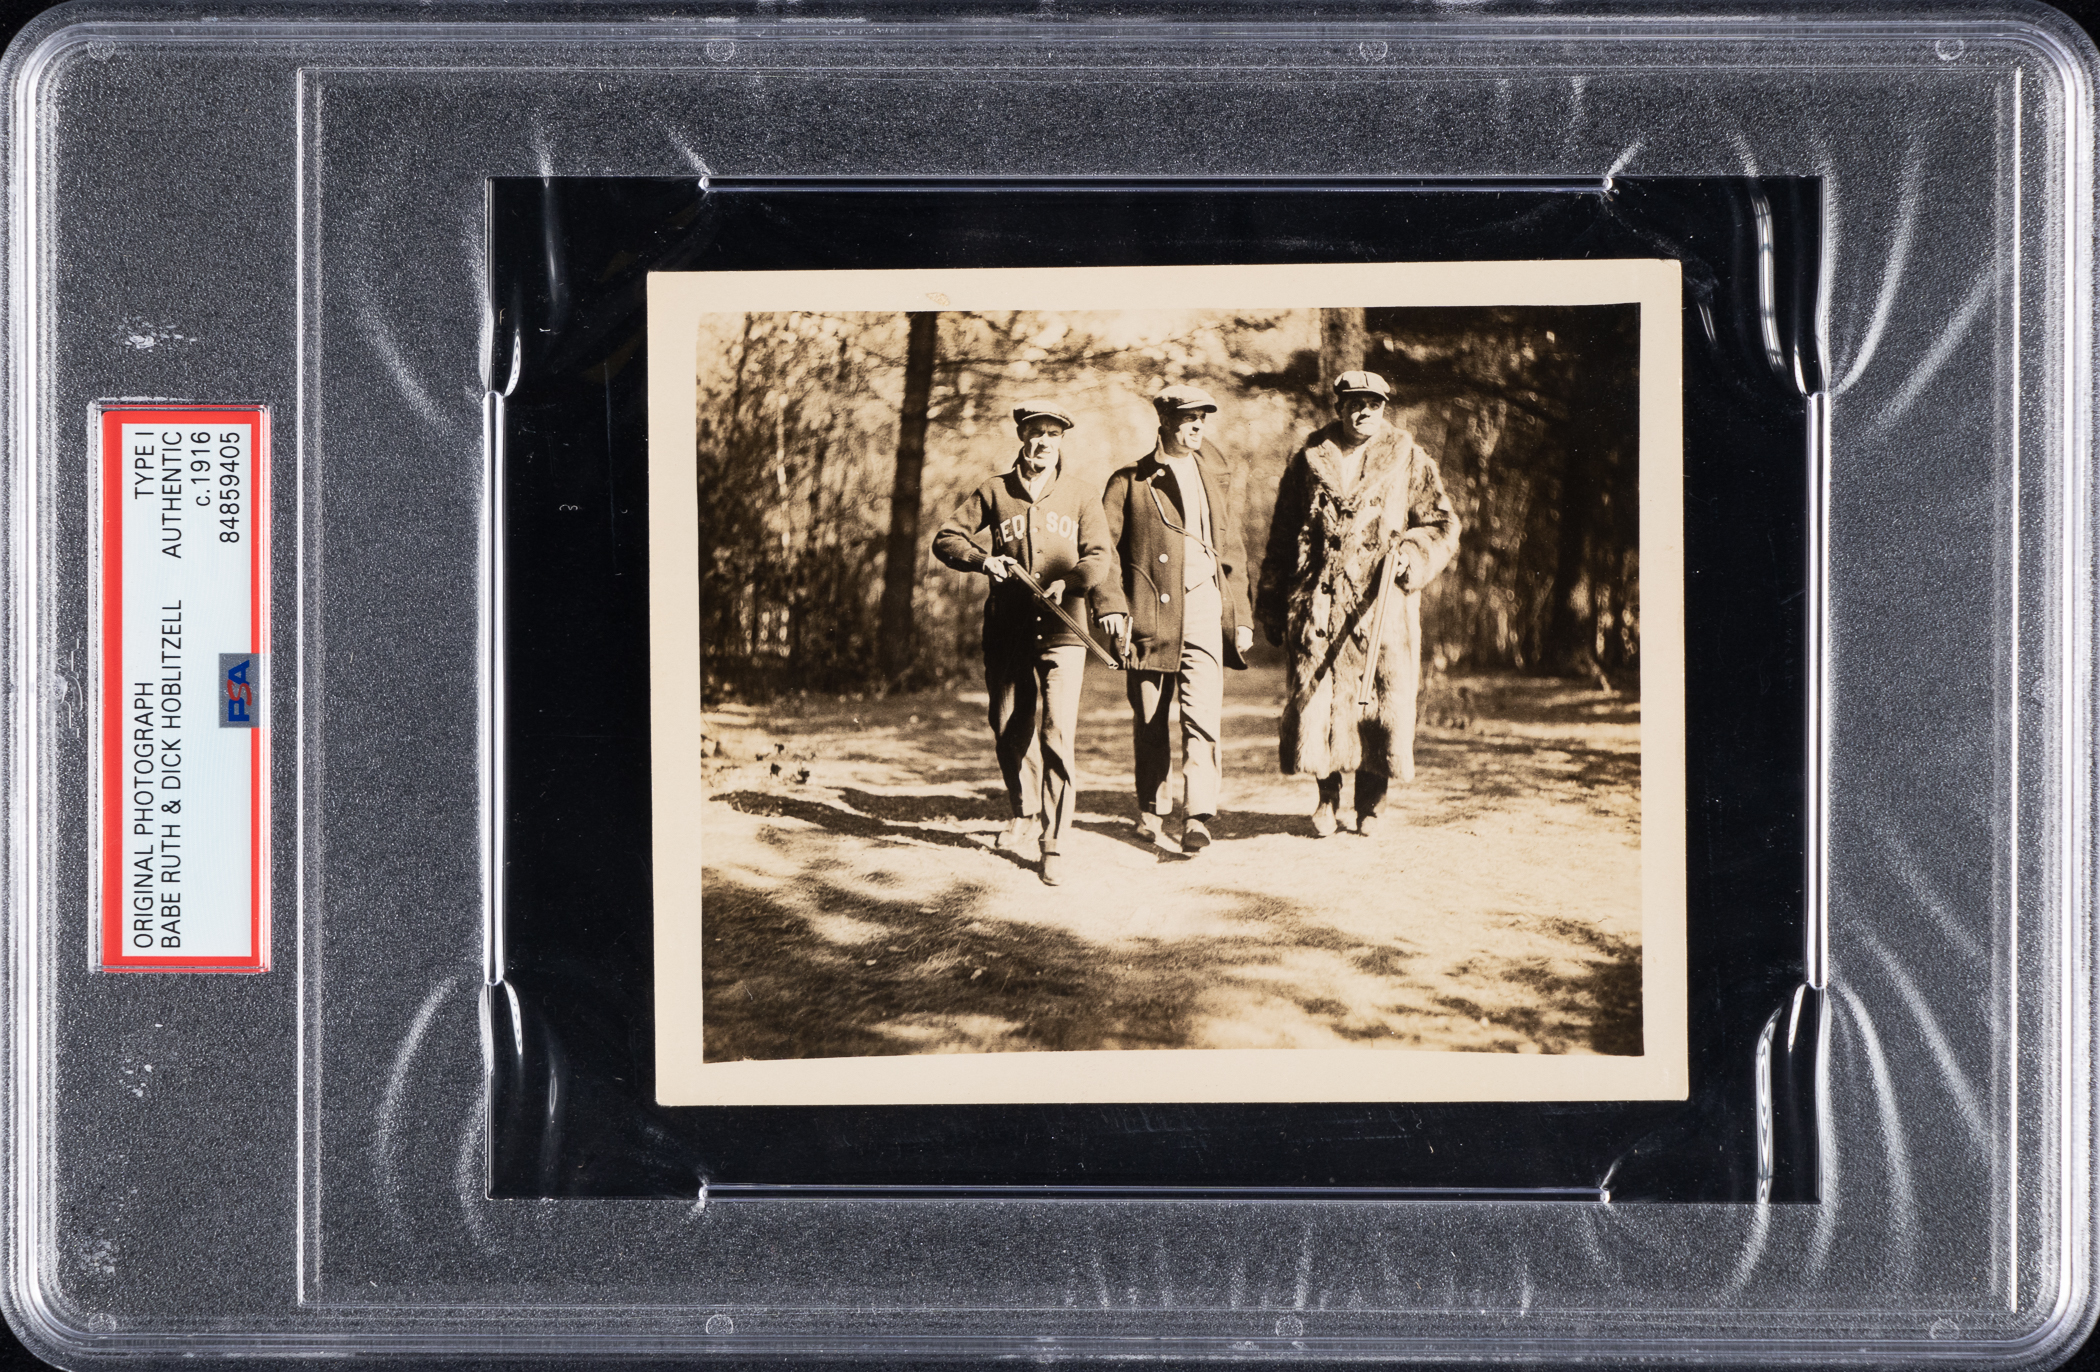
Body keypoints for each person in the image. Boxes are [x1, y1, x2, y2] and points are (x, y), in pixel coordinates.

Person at [1254, 371, 1460, 838]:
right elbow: (1282, 535)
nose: (1363, 412)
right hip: (1318, 607)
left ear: (1384, 407)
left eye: (1373, 404)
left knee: (1379, 705)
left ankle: (1370, 806)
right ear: (1339, 407)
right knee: (1317, 702)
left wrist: (1412, 553)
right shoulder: (1308, 460)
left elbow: (1441, 523)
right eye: (1354, 403)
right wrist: (1271, 601)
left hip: (1380, 606)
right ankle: (1326, 800)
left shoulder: (1409, 458)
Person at [932, 401, 1112, 886]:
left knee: (1056, 734)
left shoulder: (1080, 494)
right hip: (1008, 629)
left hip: (1063, 631)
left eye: (1052, 434)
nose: (1042, 442)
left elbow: (1099, 556)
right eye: (1035, 432)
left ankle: (1052, 841)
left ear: (1061, 442)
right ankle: (1024, 808)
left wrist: (1071, 581)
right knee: (1010, 725)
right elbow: (946, 538)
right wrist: (980, 560)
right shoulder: (994, 490)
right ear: (1021, 437)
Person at [1094, 384, 1255, 853]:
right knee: (1150, 717)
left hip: (1205, 607)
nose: (1197, 426)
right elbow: (1103, 553)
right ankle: (1151, 809)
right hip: (1149, 613)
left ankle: (1198, 815)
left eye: (1202, 417)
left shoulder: (1215, 475)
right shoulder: (1129, 481)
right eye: (1187, 418)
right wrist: (1113, 608)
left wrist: (1239, 616)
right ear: (1163, 422)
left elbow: (1233, 552)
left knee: (1203, 716)